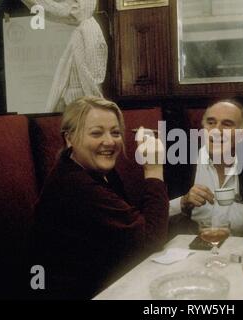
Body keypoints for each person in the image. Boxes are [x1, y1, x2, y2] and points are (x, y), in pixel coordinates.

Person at [30, 96, 168, 299]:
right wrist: (154, 168)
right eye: (96, 133)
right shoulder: (74, 185)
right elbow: (152, 238)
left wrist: (179, 204)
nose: (110, 141)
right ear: (69, 138)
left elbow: (130, 223)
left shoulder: (93, 169)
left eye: (115, 132)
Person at [169, 99, 243, 237]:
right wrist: (183, 201)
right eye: (211, 123)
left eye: (227, 124)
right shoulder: (180, 164)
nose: (216, 131)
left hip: (237, 254)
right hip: (189, 253)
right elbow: (154, 218)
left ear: (242, 134)